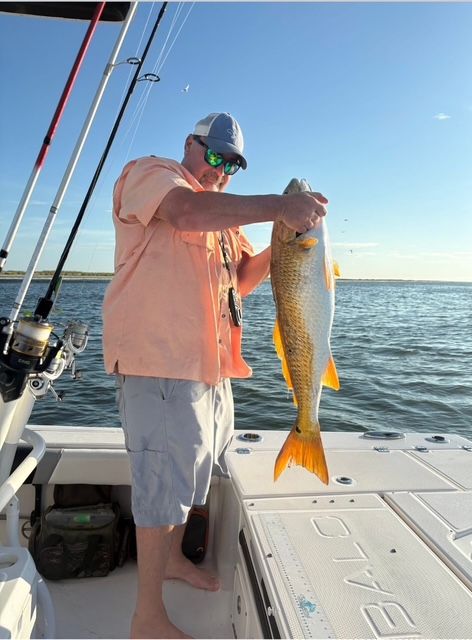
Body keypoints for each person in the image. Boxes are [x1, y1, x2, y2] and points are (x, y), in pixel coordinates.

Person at [102, 112, 328, 639]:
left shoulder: (226, 223)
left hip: (209, 371)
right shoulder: (151, 174)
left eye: (234, 164)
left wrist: (292, 238)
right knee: (161, 488)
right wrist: (277, 205)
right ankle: (147, 619)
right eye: (216, 155)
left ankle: (176, 559)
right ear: (191, 144)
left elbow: (245, 279)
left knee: (193, 477)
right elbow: (183, 214)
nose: (222, 169)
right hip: (160, 365)